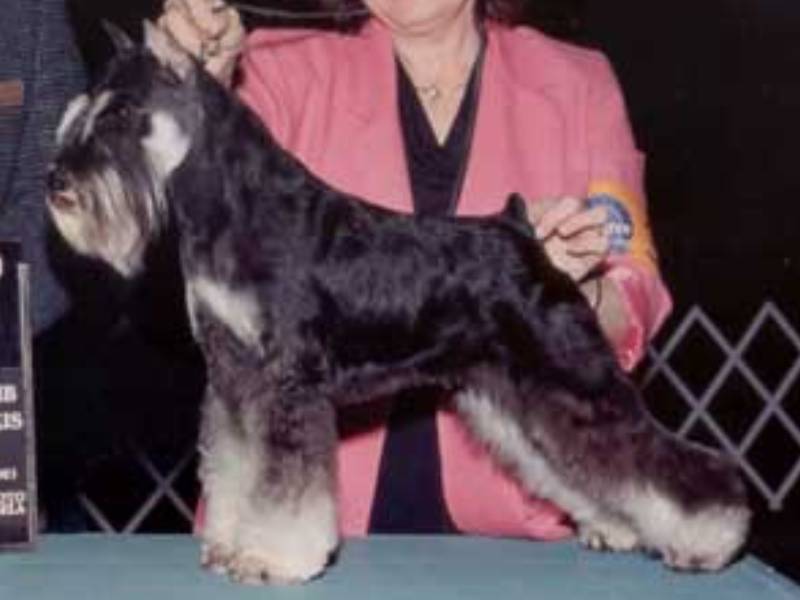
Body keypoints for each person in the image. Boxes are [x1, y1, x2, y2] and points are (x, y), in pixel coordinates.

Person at [157, 0, 672, 538]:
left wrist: (567, 293)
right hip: (304, 518)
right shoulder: (270, 64)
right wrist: (202, 80)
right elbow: (204, 195)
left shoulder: (579, 82)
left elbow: (633, 290)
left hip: (513, 528)